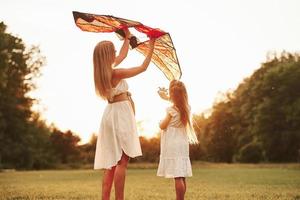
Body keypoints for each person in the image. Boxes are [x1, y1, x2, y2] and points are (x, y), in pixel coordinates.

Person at [93, 28, 156, 200]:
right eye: (113, 51)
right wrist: (152, 45)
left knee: (111, 163)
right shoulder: (116, 73)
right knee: (122, 161)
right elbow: (143, 67)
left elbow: (122, 55)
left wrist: (127, 38)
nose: (116, 53)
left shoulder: (104, 73)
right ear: (107, 56)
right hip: (120, 115)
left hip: (110, 115)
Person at [157, 80, 198, 200]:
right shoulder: (187, 109)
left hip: (172, 144)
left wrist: (160, 122)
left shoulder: (171, 110)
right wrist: (167, 97)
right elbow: (179, 101)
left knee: (177, 176)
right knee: (181, 175)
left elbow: (162, 126)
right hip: (182, 144)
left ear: (172, 95)